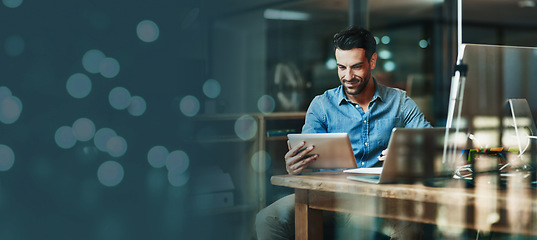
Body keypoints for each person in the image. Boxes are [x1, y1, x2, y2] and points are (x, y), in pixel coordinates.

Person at [255, 26, 432, 239]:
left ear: (372, 61)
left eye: (356, 67)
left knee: (408, 227)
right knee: (267, 218)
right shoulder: (321, 105)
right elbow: (306, 161)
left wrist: (409, 156)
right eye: (342, 67)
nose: (348, 76)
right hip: (326, 198)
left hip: (378, 201)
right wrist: (295, 165)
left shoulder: (400, 103)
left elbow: (432, 145)